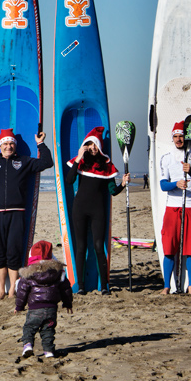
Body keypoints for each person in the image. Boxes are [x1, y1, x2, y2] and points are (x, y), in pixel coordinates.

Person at [0, 128, 53, 299]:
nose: (8, 146)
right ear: (0, 146)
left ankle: (13, 289)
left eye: (11, 143)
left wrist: (41, 144)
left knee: (14, 252)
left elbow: (47, 162)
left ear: (15, 146)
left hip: (17, 214)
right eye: (5, 143)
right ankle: (1, 290)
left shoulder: (24, 161)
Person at [66, 126, 129, 295]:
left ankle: (104, 286)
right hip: (79, 209)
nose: (93, 148)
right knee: (81, 247)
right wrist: (78, 158)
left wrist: (123, 184)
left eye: (95, 145)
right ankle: (80, 286)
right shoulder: (81, 162)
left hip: (98, 211)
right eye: (90, 144)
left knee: (98, 247)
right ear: (85, 146)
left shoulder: (107, 166)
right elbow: (69, 180)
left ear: (100, 146)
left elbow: (113, 191)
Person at [159, 121, 191, 296]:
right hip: (173, 207)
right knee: (169, 248)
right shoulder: (166, 157)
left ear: (186, 138)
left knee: (190, 248)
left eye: (181, 136)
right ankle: (167, 286)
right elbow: (163, 185)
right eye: (176, 136)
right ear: (172, 138)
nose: (179, 139)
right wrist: (176, 184)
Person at [14, 240, 73, 358]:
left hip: (34, 309)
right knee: (48, 330)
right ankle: (49, 350)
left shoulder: (28, 274)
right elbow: (66, 289)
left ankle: (28, 345)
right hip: (51, 309)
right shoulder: (58, 273)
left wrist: (19, 306)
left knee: (29, 327)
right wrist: (67, 303)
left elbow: (22, 291)